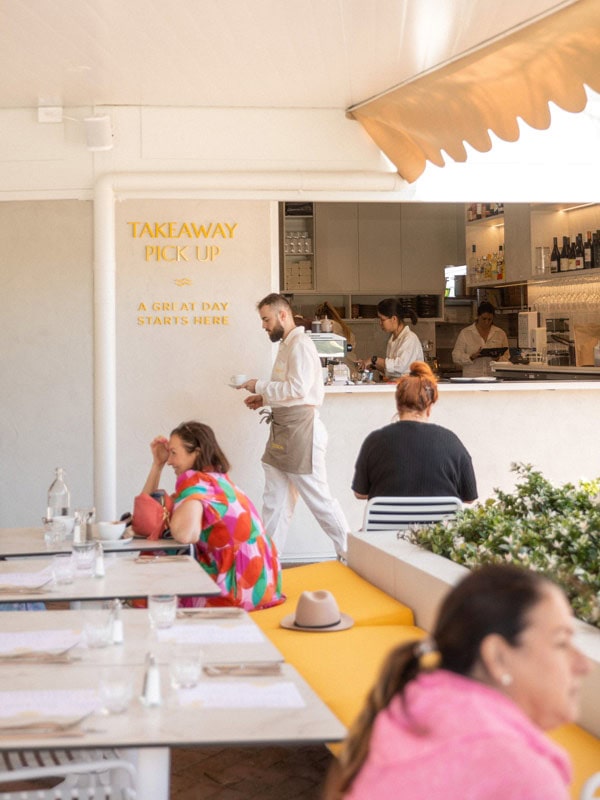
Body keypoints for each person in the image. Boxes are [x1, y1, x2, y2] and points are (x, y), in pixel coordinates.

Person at [324, 563, 591, 800]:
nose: (583, 664)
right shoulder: (519, 774)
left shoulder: (409, 713)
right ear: (498, 657)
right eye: (561, 642)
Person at [238, 293, 349, 559]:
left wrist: (260, 386)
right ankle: (265, 565)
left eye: (266, 319)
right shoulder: (288, 344)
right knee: (274, 503)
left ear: (282, 315)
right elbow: (292, 389)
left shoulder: (300, 344)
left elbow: (299, 389)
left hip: (302, 433)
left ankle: (352, 555)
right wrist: (263, 398)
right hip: (285, 431)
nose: (264, 325)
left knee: (320, 501)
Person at [141, 420, 284, 611]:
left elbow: (185, 535)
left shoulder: (196, 483)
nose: (169, 461)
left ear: (196, 453)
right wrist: (156, 465)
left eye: (174, 453)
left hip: (236, 586)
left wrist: (168, 515)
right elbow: (145, 514)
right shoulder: (215, 479)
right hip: (263, 580)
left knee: (154, 568)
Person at [352, 361, 477, 502]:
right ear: (429, 405)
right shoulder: (451, 441)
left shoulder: (375, 441)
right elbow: (469, 498)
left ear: (398, 404)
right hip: (436, 524)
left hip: (389, 524)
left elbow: (360, 493)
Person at [356, 298, 423, 379]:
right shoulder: (392, 340)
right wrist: (373, 365)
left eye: (382, 319)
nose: (380, 323)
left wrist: (374, 360)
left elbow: (399, 367)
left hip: (411, 388)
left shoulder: (410, 338)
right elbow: (392, 371)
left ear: (394, 319)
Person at [452, 300, 510, 377]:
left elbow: (506, 357)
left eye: (490, 319)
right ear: (478, 316)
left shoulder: (500, 333)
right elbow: (456, 356)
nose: (486, 322)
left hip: (493, 377)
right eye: (484, 319)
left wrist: (497, 359)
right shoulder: (466, 333)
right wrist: (471, 357)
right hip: (472, 378)